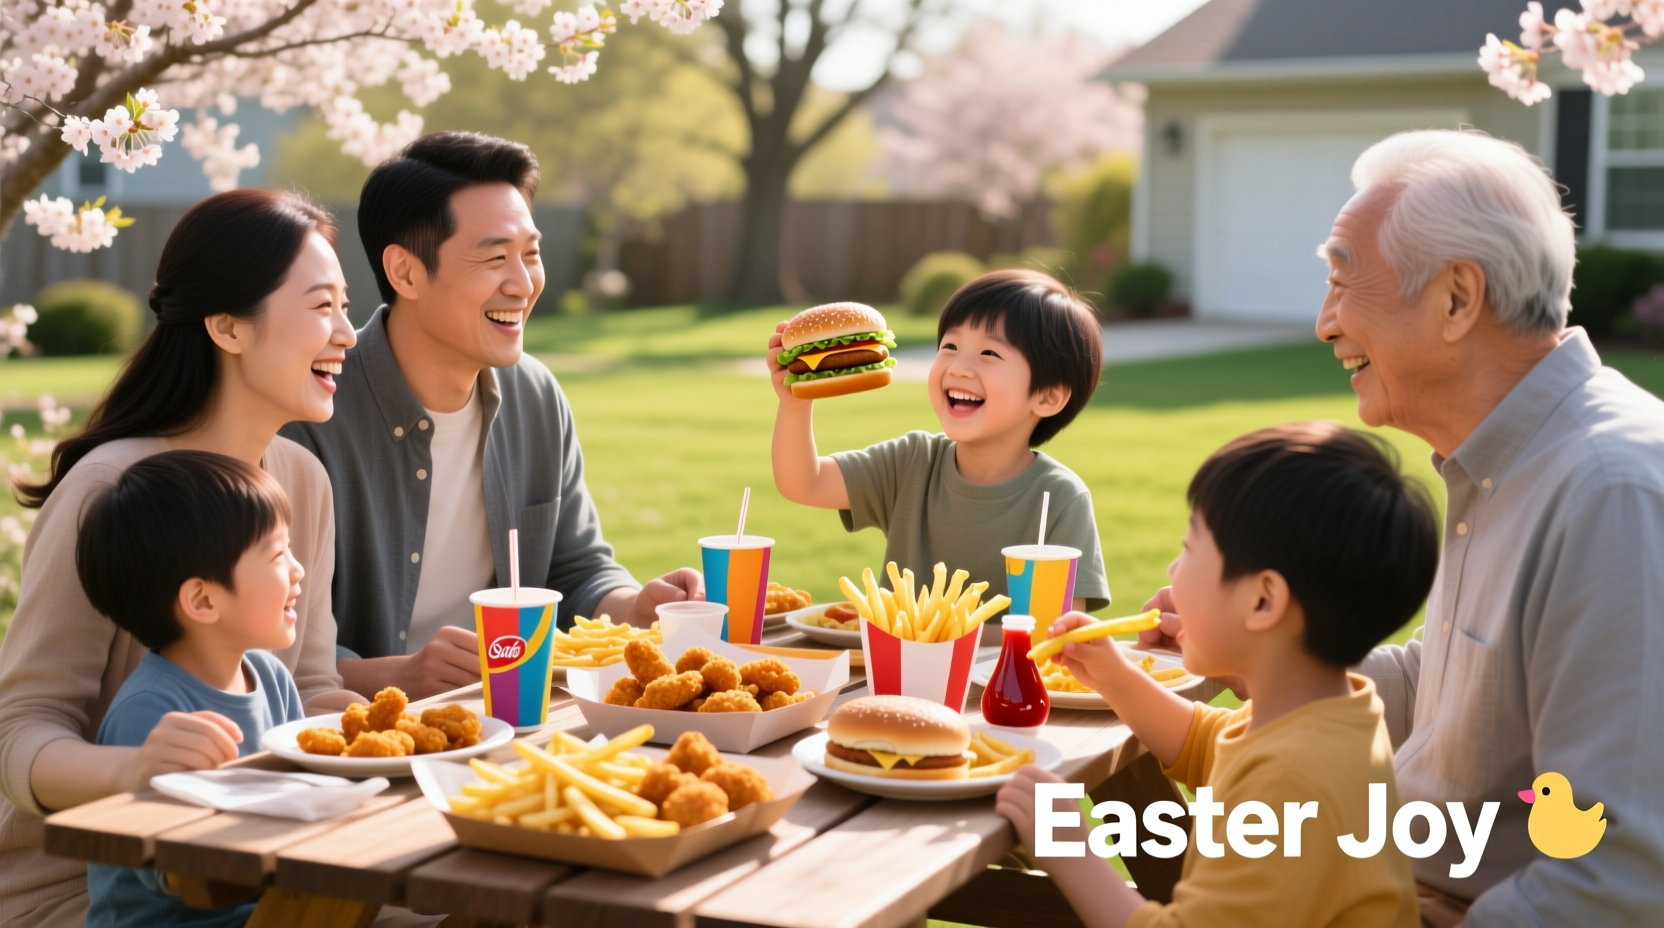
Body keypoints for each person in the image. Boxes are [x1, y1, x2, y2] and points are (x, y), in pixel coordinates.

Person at [1139, 130, 1664, 925]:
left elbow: (1612, 878)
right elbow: (1442, 698)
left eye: (1342, 283)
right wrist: (1264, 644)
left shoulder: (1609, 491)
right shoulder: (1501, 458)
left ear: (1456, 299)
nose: (1324, 323)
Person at [0, 189, 359, 926]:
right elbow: (20, 726)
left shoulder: (302, 480)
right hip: (91, 894)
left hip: (268, 865)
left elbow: (311, 690)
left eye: (345, 307)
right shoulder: (111, 488)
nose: (348, 334)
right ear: (227, 326)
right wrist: (136, 769)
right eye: (322, 306)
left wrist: (417, 741)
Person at [281, 131, 701, 701]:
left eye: (530, 254)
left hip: (516, 712)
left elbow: (576, 569)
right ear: (405, 273)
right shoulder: (310, 414)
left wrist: (635, 606)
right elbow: (268, 640)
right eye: (495, 257)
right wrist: (395, 676)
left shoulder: (535, 395)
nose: (524, 284)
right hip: (364, 731)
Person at [999, 422, 1437, 928]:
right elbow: (1206, 742)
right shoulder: (1328, 718)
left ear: (1263, 600)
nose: (1172, 571)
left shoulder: (1292, 782)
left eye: (1189, 550)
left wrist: (1067, 846)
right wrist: (1115, 677)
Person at [767, 269, 1111, 625]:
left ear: (1048, 396)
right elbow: (803, 482)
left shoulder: (1062, 498)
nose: (959, 367)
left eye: (989, 352)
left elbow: (1061, 633)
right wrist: (795, 405)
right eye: (950, 347)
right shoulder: (912, 462)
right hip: (896, 661)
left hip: (1002, 664)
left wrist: (960, 642)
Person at [77, 452, 307, 928]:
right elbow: (171, 873)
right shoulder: (151, 711)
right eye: (277, 555)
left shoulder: (272, 678)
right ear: (202, 600)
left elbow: (310, 792)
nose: (298, 569)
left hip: (275, 907)